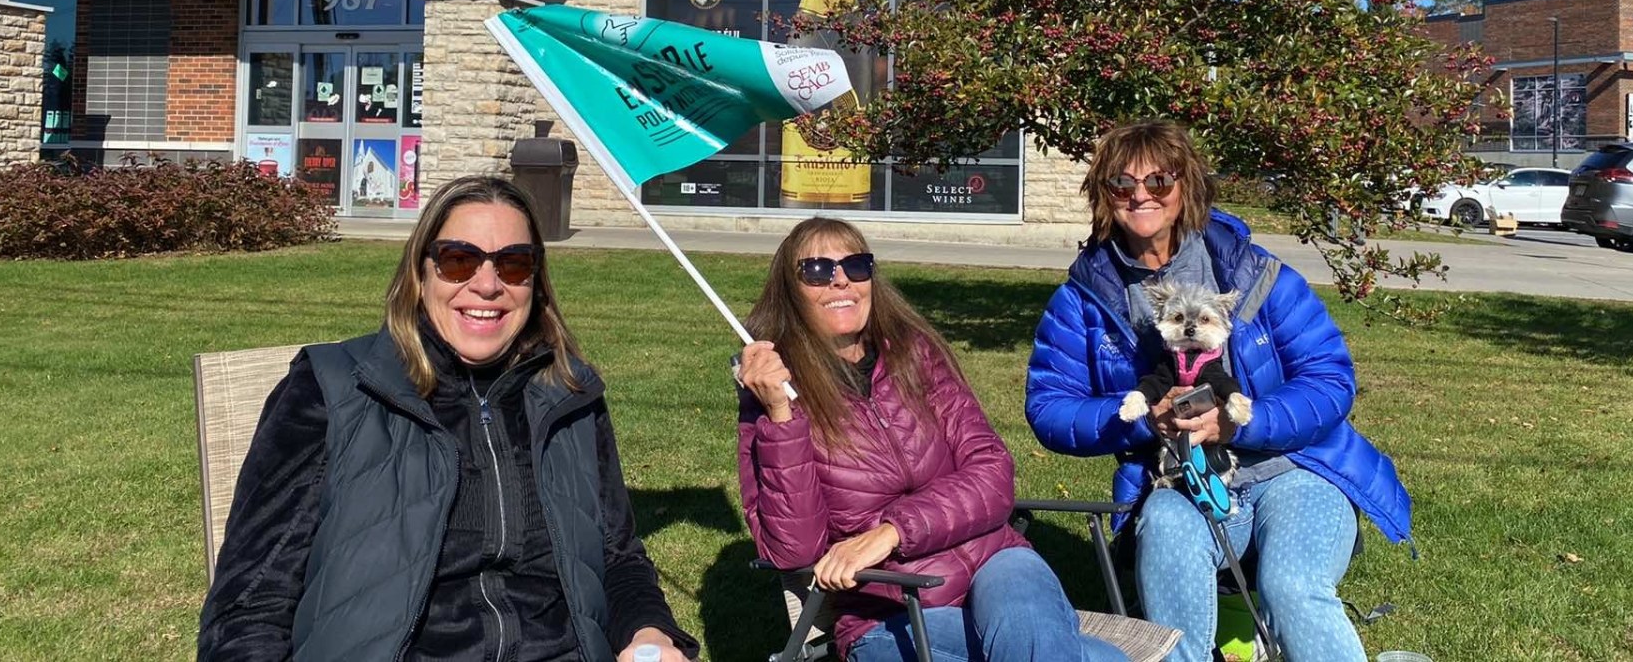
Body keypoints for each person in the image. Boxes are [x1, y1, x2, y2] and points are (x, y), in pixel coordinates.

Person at [198, 175, 698, 662]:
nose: (488, 285)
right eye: (459, 260)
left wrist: (648, 632)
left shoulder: (569, 395)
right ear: (420, 275)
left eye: (514, 264)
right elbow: (251, 604)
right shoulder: (332, 389)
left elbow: (618, 559)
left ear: (536, 282)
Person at [1025, 121, 1411, 662]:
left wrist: (1243, 422)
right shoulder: (1083, 299)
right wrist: (1141, 419)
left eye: (1159, 181)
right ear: (1104, 194)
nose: (1141, 195)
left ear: (1186, 187)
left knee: (1292, 587)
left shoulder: (1255, 274)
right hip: (1180, 482)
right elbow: (1049, 407)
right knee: (1167, 567)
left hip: (1296, 469)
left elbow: (1330, 380)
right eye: (1122, 183)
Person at [736, 217, 1127, 662]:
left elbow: (993, 474)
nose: (841, 280)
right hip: (892, 608)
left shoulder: (914, 354)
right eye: (818, 270)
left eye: (856, 265)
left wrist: (892, 532)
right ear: (791, 289)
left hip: (995, 560)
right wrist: (781, 417)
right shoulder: (776, 398)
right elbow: (794, 550)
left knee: (1033, 631)